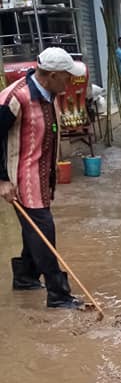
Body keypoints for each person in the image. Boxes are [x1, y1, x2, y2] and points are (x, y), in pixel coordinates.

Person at [0, 47, 86, 309]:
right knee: (44, 233)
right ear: (49, 75)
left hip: (42, 177)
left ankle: (25, 277)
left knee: (33, 231)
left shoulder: (50, 93)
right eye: (66, 77)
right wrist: (2, 180)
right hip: (22, 179)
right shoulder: (16, 98)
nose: (70, 82)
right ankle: (58, 295)